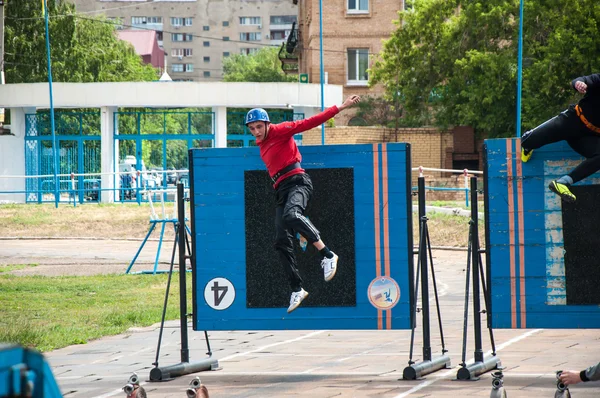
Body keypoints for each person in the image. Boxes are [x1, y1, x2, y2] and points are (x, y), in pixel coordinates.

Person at [245, 95, 361, 313]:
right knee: (280, 240)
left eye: (259, 126)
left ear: (267, 124)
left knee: (291, 215)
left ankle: (327, 254)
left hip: (298, 182)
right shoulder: (261, 145)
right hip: (281, 190)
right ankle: (297, 288)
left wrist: (341, 107)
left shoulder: (281, 130)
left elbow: (311, 122)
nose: (256, 132)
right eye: (252, 129)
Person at [521, 73, 600, 203]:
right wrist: (579, 84)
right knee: (526, 140)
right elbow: (582, 80)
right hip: (572, 120)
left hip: (588, 137)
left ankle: (563, 183)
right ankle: (529, 146)